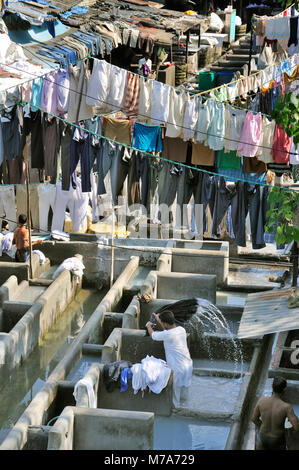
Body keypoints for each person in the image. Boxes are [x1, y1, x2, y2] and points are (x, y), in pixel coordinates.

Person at [146, 310, 193, 408]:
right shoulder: (181, 330)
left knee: (175, 397)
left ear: (165, 323)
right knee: (185, 395)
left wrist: (148, 326)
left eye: (162, 323)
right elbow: (167, 330)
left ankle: (176, 413)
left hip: (177, 369)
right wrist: (159, 320)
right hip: (188, 366)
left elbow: (153, 335)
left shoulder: (167, 335)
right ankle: (187, 409)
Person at [252, 377, 299, 450]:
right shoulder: (286, 407)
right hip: (277, 439)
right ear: (284, 389)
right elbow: (296, 426)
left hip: (263, 436)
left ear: (272, 385)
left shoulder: (261, 401)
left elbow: (254, 419)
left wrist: (263, 426)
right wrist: (287, 432)